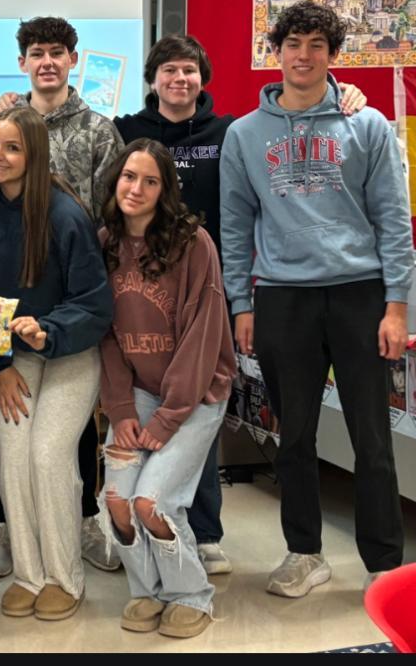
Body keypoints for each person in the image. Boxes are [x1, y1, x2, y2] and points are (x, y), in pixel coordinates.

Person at [111, 35, 368, 576]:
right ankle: (149, 524)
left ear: (202, 78)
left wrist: (348, 94)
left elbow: (240, 211)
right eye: (168, 70)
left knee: (197, 408)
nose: (179, 79)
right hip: (142, 296)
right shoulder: (125, 130)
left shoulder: (229, 131)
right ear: (153, 78)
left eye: (189, 70)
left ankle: (204, 532)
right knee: (150, 408)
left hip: (207, 290)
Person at [220, 0, 413, 597]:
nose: (303, 56)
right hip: (283, 298)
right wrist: (241, 304)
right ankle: (304, 552)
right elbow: (234, 225)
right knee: (294, 436)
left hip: (359, 295)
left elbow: (393, 217)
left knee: (371, 437)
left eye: (316, 46)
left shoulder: (368, 125)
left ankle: (385, 564)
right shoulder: (244, 134)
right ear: (276, 53)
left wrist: (397, 305)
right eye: (293, 45)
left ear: (332, 55)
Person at [0, 16, 123, 576]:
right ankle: (10, 531)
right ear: (23, 62)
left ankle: (79, 525)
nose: (47, 61)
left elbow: (113, 217)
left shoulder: (97, 134)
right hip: (13, 337)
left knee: (59, 447)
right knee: (11, 445)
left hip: (74, 316)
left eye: (57, 52)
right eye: (36, 52)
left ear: (72, 59)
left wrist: (70, 320)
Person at [97, 138, 236, 639]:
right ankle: (147, 591)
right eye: (129, 177)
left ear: (165, 190)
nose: (136, 189)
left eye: (150, 181)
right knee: (117, 499)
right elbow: (105, 334)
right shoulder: (104, 242)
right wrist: (120, 408)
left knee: (151, 503)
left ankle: (191, 595)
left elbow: (203, 337)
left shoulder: (193, 244)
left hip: (194, 395)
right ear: (115, 181)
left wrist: (168, 416)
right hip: (136, 391)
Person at [0, 107, 113, 621]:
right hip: (12, 359)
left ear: (34, 155)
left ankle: (63, 577)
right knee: (12, 458)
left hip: (70, 352)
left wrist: (49, 330)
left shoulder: (65, 214)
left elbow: (94, 303)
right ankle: (29, 575)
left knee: (49, 456)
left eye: (12, 147)